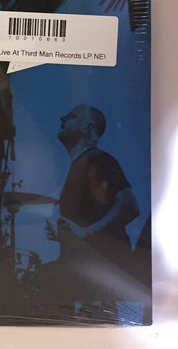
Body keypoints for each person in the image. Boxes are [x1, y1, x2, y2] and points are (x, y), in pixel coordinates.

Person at [42, 104, 140, 322]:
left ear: (88, 127)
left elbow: (130, 205)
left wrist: (87, 233)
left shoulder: (98, 159)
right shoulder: (81, 165)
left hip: (98, 275)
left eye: (71, 116)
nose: (62, 118)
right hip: (90, 277)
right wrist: (65, 235)